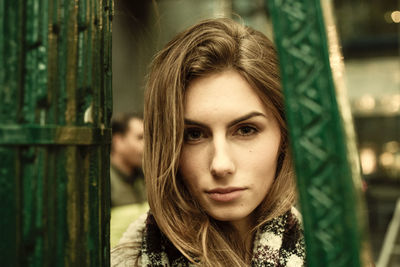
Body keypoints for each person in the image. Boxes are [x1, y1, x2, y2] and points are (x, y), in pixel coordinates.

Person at [111, 18, 305, 266]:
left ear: (284, 136)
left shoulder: (334, 254)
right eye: (193, 134)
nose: (221, 165)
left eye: (246, 130)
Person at [110, 113, 146, 207]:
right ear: (118, 141)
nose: (146, 145)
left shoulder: (145, 178)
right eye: (140, 138)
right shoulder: (103, 181)